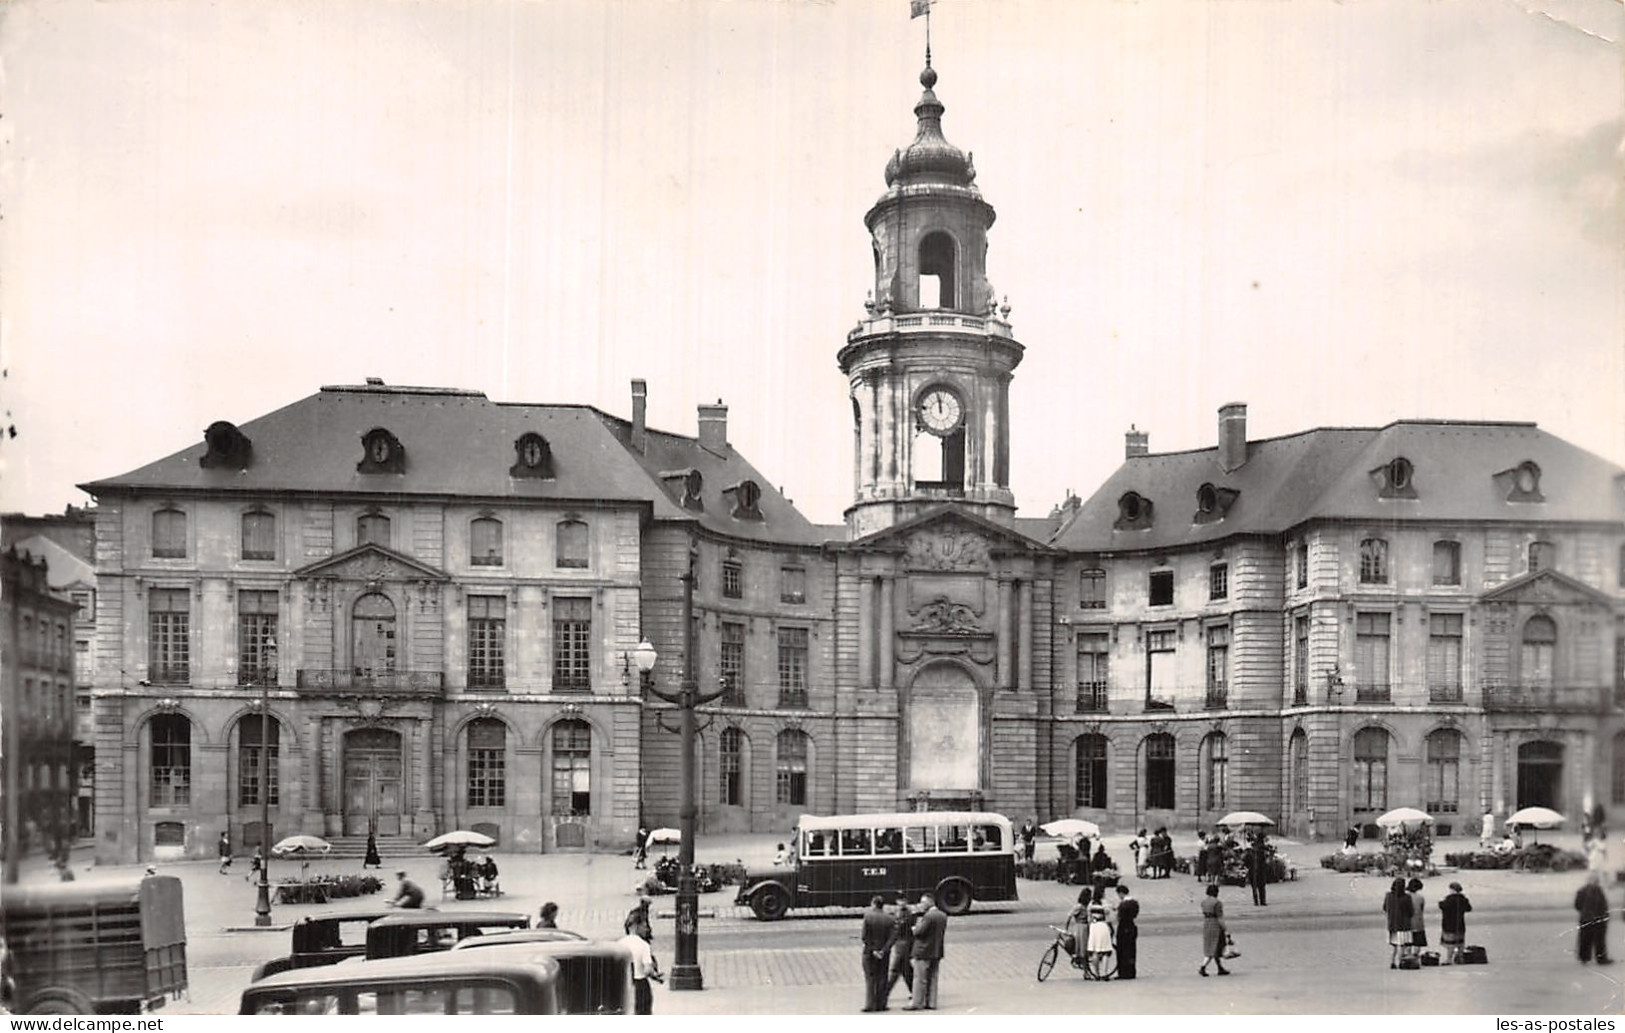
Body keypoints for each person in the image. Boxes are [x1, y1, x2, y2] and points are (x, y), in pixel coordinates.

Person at [904, 892, 946, 1010]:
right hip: (936, 950)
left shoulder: (928, 916)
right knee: (933, 977)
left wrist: (914, 927)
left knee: (919, 978)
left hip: (923, 951)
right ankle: (931, 1003)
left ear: (930, 902)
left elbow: (919, 932)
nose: (921, 905)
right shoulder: (943, 915)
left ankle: (916, 1003)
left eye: (923, 902)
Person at [860, 895, 895, 1011]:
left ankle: (870, 1004)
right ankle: (881, 1004)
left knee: (870, 978)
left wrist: (874, 949)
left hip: (869, 953)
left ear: (873, 904)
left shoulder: (868, 917)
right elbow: (892, 937)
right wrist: (883, 950)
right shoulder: (890, 918)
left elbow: (865, 937)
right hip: (884, 953)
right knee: (882, 977)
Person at [617, 926, 662, 1014]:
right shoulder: (643, 945)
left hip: (622, 984)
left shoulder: (620, 944)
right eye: (645, 926)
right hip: (640, 985)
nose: (647, 929)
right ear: (637, 926)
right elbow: (648, 970)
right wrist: (655, 975)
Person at [1576, 872, 1614, 965]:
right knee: (1599, 940)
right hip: (1599, 917)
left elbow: (1577, 905)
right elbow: (1603, 904)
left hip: (1585, 918)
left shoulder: (1581, 890)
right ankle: (1601, 959)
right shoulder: (1598, 890)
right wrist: (1605, 916)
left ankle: (1584, 957)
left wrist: (1584, 912)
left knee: (1585, 938)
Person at [882, 901, 915, 1006]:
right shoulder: (899, 912)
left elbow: (900, 925)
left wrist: (893, 920)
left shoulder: (909, 914)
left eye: (903, 900)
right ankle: (916, 990)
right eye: (899, 900)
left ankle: (884, 993)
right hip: (900, 944)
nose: (901, 903)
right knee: (906, 970)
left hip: (904, 945)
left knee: (895, 970)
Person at [1199, 883, 1229, 977]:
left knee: (1214, 947)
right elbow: (1220, 918)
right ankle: (1203, 967)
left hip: (1206, 924)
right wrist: (1226, 930)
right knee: (1213, 947)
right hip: (1215, 925)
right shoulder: (1217, 903)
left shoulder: (1204, 902)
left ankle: (1220, 967)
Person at [1383, 876, 1413, 968]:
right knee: (1402, 945)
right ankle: (1400, 962)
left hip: (1392, 924)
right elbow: (1410, 911)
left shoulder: (1388, 896)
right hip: (1403, 925)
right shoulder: (1407, 897)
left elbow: (1384, 908)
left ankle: (1392, 962)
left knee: (1394, 945)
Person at [1438, 882, 1472, 965]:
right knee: (1460, 942)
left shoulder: (1449, 899)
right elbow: (1469, 908)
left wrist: (1440, 902)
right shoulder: (1463, 899)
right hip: (1460, 923)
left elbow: (1443, 906)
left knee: (1450, 943)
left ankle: (1449, 959)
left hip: (1449, 923)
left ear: (1452, 889)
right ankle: (1460, 957)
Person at [1113, 885, 1139, 979]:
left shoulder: (1123, 905)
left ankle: (1123, 972)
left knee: (1122, 950)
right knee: (1131, 950)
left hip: (1123, 927)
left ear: (1121, 893)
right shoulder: (1134, 902)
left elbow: (1118, 917)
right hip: (1131, 926)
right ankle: (1131, 971)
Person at [1407, 878, 1428, 959]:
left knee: (1408, 941)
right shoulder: (1420, 897)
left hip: (1408, 922)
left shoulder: (1406, 896)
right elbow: (1422, 909)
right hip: (1418, 922)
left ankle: (1408, 956)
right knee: (1418, 942)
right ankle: (1415, 955)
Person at [1248, 833, 1269, 906]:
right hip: (1260, 869)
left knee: (1254, 886)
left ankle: (1256, 901)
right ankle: (1262, 901)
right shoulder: (1262, 848)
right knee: (1261, 886)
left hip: (1252, 869)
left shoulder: (1252, 849)